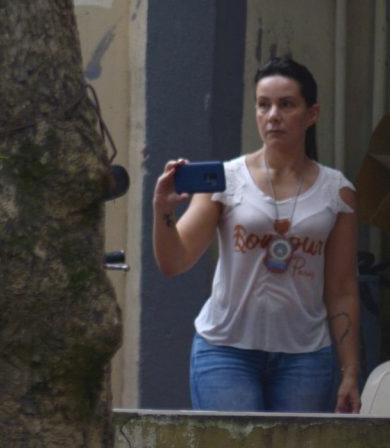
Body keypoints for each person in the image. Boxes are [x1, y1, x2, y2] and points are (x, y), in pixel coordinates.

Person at [152, 56, 361, 413]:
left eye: (286, 104)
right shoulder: (226, 181)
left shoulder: (336, 193)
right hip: (226, 351)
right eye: (263, 105)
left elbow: (341, 289)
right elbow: (174, 261)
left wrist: (351, 372)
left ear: (312, 114)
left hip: (305, 357)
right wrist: (163, 212)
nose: (273, 115)